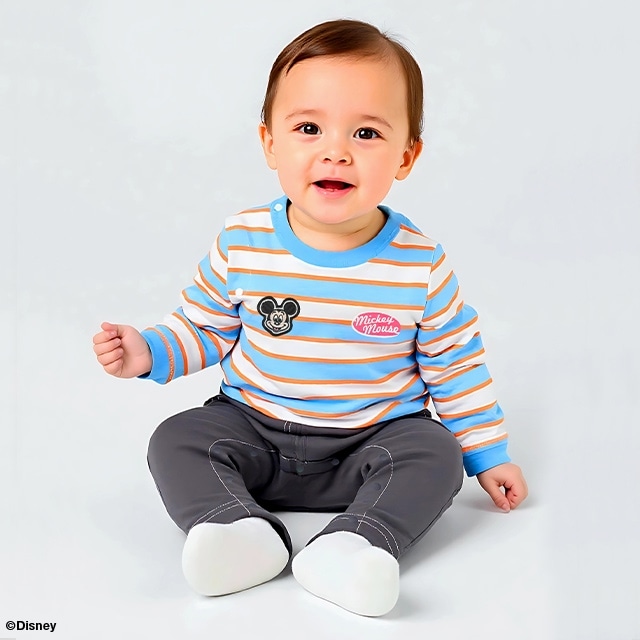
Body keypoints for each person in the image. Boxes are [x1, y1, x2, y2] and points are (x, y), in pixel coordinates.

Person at [92, 18, 528, 617]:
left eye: (366, 133)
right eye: (308, 128)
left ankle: (354, 545)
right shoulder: (244, 241)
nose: (336, 151)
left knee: (435, 454)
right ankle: (239, 532)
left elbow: (454, 365)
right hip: (255, 432)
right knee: (177, 439)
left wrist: (487, 454)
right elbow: (205, 326)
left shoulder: (418, 263)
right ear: (270, 142)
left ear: (406, 155)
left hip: (371, 443)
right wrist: (147, 350)